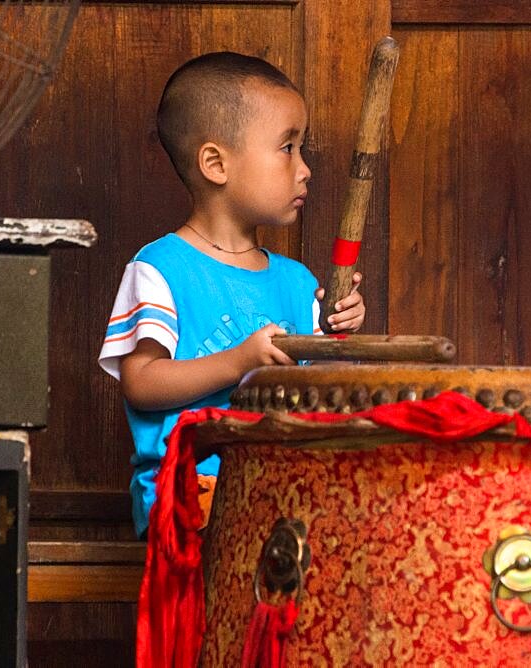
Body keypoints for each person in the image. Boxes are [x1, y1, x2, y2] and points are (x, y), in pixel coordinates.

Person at [99, 52, 365, 538]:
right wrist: (238, 361)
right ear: (216, 164)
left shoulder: (299, 283)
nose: (304, 169)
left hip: (285, 496)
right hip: (190, 498)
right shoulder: (160, 269)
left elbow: (328, 396)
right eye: (288, 148)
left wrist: (338, 333)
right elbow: (140, 383)